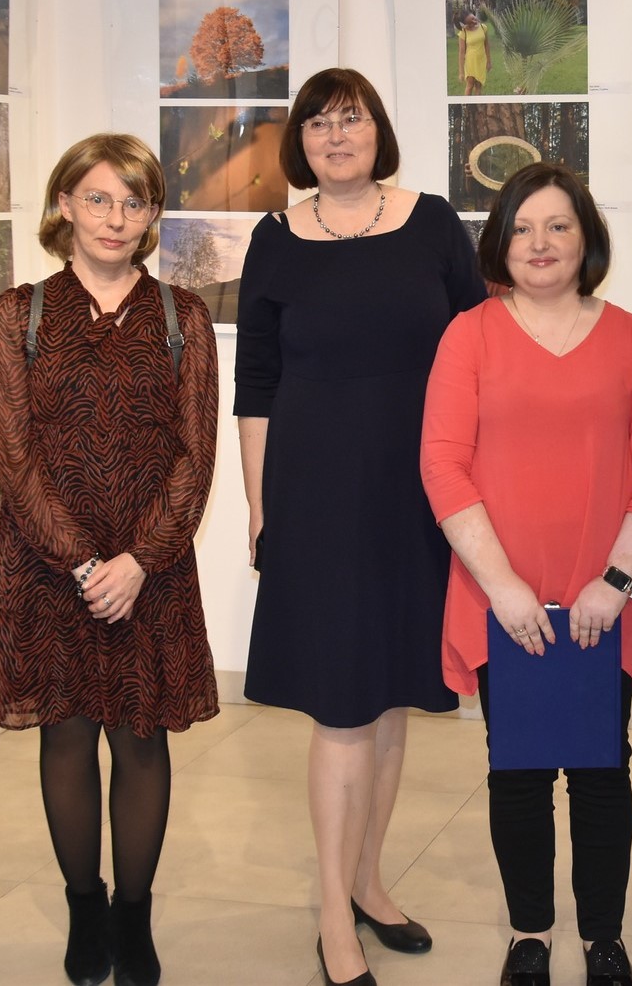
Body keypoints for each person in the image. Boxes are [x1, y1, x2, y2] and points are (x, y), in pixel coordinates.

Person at [235, 68, 487, 986]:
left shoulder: (433, 224)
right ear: (298, 143)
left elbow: (478, 352)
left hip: (416, 493)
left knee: (387, 698)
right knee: (341, 708)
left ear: (379, 130)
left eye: (352, 119)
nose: (336, 136)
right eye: (318, 124)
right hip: (315, 494)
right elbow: (255, 382)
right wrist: (259, 506)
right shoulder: (275, 239)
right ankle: (333, 914)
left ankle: (370, 879)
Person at [421, 163, 632, 986]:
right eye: (523, 227)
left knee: (603, 771)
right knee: (520, 771)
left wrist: (616, 581)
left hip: (605, 597)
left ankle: (604, 938)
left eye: (558, 225)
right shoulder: (468, 335)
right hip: (502, 597)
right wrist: (503, 587)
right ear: (500, 243)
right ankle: (529, 933)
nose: (540, 243)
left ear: (586, 238)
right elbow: (442, 465)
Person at [0, 133, 219, 986]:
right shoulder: (19, 314)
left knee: (141, 737)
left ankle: (133, 912)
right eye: (98, 198)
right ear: (64, 206)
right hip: (49, 569)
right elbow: (12, 455)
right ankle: (85, 907)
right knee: (68, 735)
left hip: (151, 568)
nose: (115, 217)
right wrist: (84, 564)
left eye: (134, 201)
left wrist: (138, 562)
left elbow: (196, 456)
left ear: (152, 214)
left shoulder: (183, 317)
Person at [455, 9, 491, 95]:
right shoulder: (463, 32)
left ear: (473, 14)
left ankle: (477, 103)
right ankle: (467, 103)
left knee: (478, 86)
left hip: (481, 61)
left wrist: (489, 61)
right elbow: (461, 53)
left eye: (473, 18)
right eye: (470, 22)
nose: (474, 22)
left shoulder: (483, 27)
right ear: (465, 24)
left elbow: (486, 45)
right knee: (470, 85)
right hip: (470, 62)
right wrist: (461, 72)